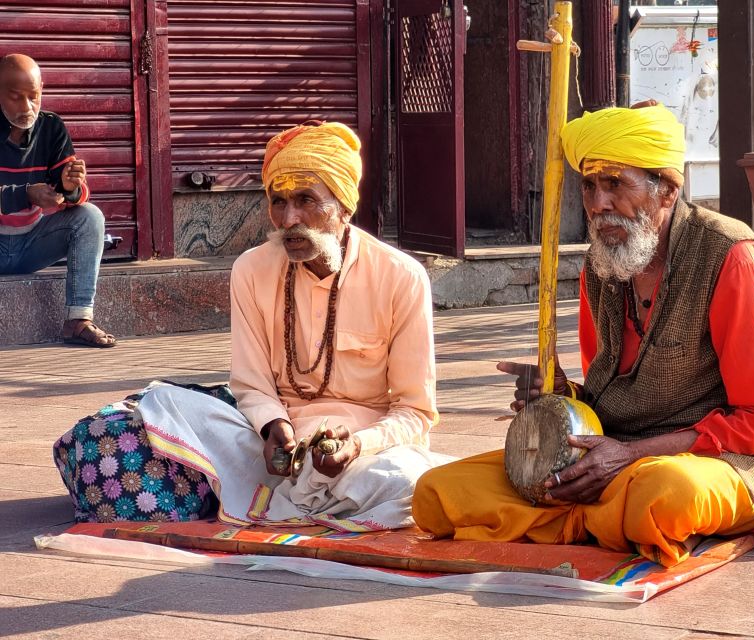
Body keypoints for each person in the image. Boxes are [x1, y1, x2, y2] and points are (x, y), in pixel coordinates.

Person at [412, 102, 754, 567]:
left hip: (706, 460)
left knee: (662, 496)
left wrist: (631, 455)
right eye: (590, 187)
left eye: (615, 184)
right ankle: (602, 522)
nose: (598, 205)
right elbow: (602, 393)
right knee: (436, 494)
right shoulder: (606, 261)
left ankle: (582, 519)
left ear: (668, 190)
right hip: (602, 455)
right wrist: (560, 394)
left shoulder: (731, 258)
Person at [54, 121, 443, 528]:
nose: (289, 219)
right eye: (278, 201)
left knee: (406, 482)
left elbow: (415, 412)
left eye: (306, 200)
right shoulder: (251, 269)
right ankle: (296, 496)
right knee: (167, 403)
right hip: (270, 449)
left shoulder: (401, 276)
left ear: (344, 207)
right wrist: (273, 425)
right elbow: (251, 384)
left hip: (364, 452)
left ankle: (277, 496)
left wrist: (359, 445)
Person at [0, 53, 115, 347]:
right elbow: (28, 193)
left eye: (34, 96)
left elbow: (75, 195)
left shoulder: (51, 128)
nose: (27, 107)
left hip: (31, 244)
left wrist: (69, 187)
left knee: (90, 217)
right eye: (15, 97)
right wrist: (26, 194)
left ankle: (78, 320)